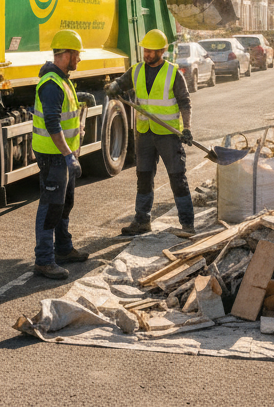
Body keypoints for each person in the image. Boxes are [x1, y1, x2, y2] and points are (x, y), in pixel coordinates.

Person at [105, 28, 196, 236]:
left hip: (168, 134)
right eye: (145, 50)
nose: (147, 54)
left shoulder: (173, 73)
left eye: (151, 51)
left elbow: (185, 102)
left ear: (162, 51)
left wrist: (188, 128)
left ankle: (187, 224)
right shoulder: (136, 70)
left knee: (177, 177)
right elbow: (120, 83)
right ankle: (142, 220)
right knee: (143, 176)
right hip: (144, 132)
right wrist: (114, 86)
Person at [31, 29, 92, 280]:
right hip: (53, 156)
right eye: (77, 54)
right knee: (50, 207)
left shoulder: (63, 80)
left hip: (62, 155)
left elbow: (66, 113)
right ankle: (44, 260)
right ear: (66, 54)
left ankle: (64, 249)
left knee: (65, 204)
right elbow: (53, 124)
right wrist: (69, 155)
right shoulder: (51, 85)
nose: (79, 59)